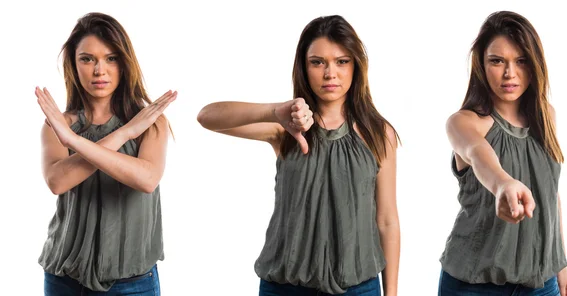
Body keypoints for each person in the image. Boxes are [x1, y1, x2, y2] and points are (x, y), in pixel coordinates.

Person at [198, 15, 400, 296]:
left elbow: (387, 219)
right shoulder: (285, 127)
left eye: (342, 61)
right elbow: (207, 117)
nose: (330, 73)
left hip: (358, 287)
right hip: (285, 287)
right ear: (304, 68)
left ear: (356, 65)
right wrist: (275, 111)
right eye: (317, 62)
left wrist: (391, 293)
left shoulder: (379, 132)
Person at [36, 12, 176, 295]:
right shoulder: (59, 125)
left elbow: (147, 179)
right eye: (87, 59)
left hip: (132, 282)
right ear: (74, 66)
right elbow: (57, 181)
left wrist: (78, 141)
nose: (100, 70)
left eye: (111, 58)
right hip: (64, 278)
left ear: (124, 64)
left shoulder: (149, 121)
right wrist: (122, 135)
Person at [438, 11, 567, 296]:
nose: (510, 73)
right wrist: (503, 183)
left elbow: (549, 193)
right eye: (497, 61)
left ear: (534, 65)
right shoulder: (464, 122)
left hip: (540, 281)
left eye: (520, 61)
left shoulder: (546, 116)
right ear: (482, 65)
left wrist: (560, 264)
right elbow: (478, 153)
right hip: (474, 285)